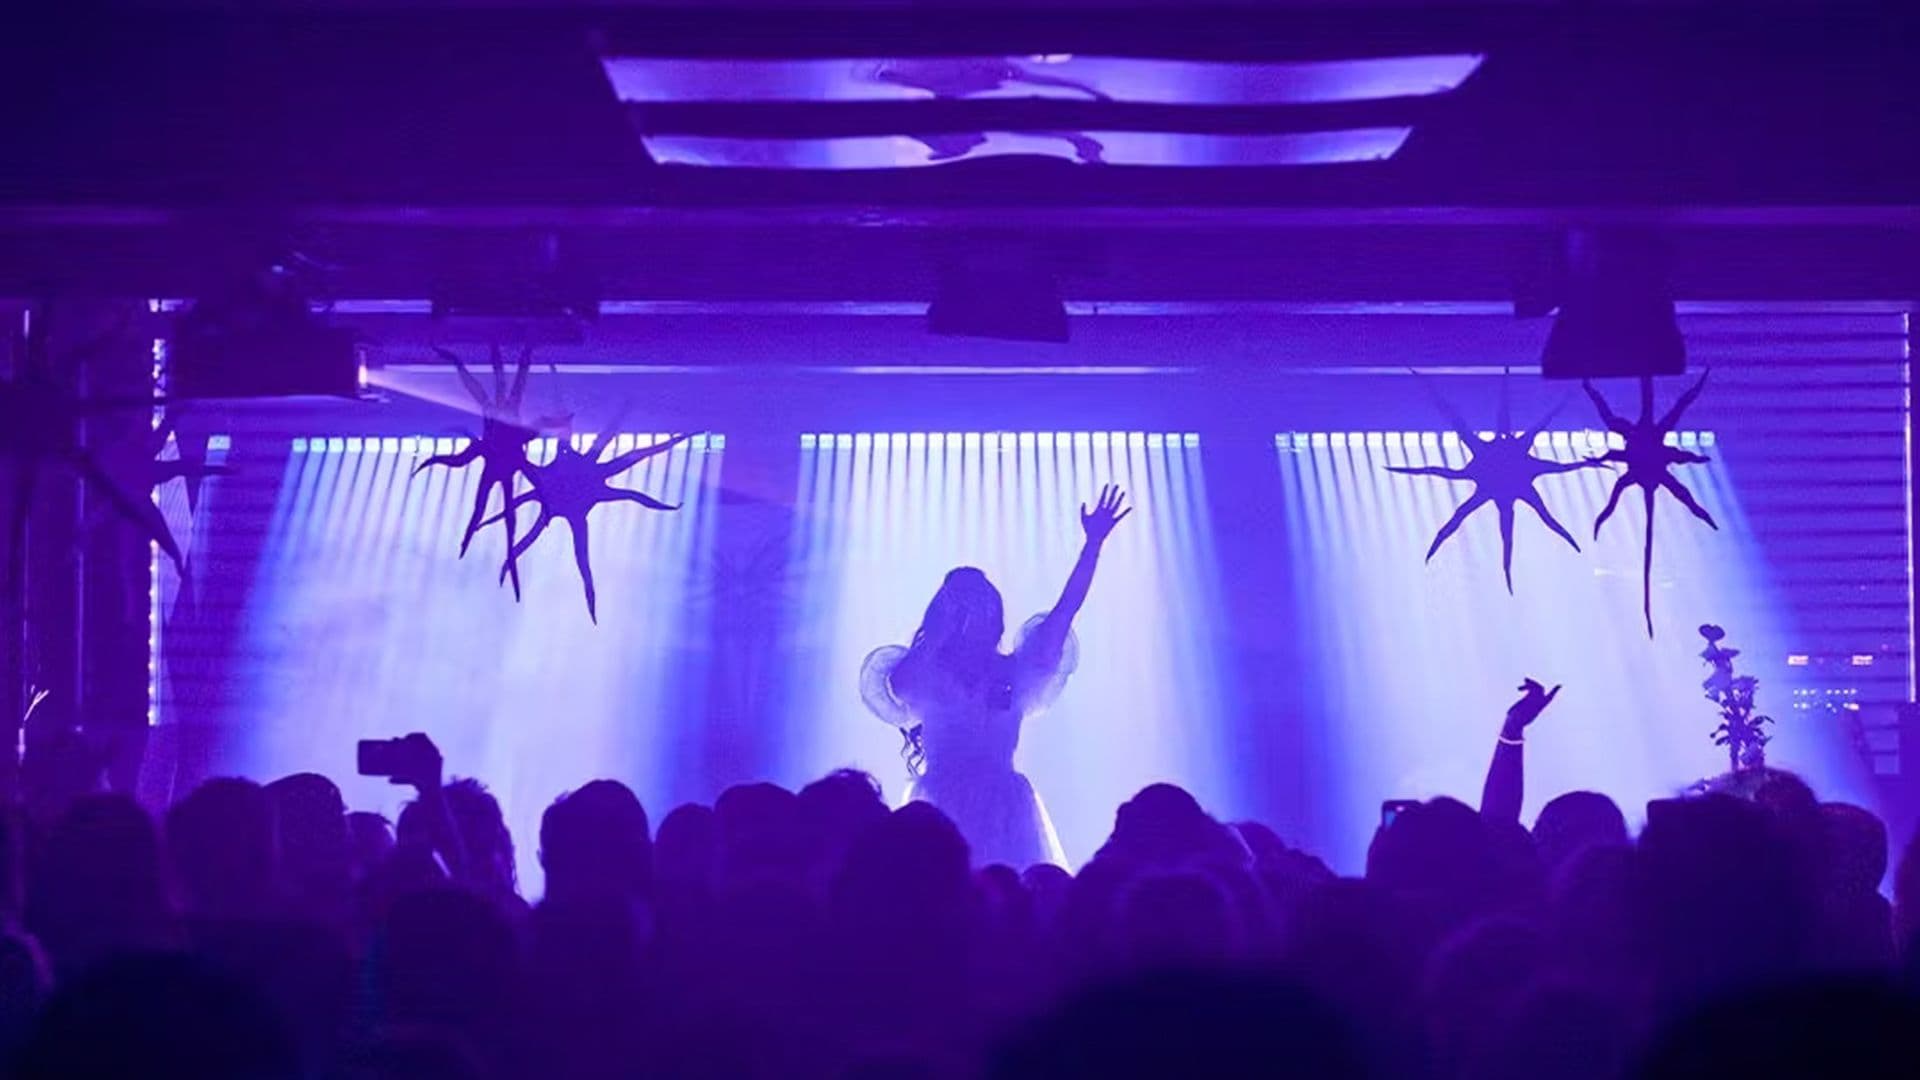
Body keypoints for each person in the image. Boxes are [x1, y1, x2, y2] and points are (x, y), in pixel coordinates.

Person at [861, 486, 1130, 869]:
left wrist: (1093, 546)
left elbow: (1064, 612)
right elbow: (899, 685)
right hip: (940, 803)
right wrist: (938, 630)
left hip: (1005, 806)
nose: (974, 615)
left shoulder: (1016, 670)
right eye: (962, 606)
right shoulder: (925, 672)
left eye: (982, 604)